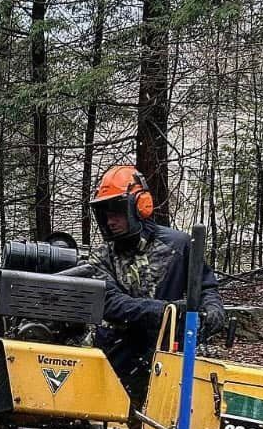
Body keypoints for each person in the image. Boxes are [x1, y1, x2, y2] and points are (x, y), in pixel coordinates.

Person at [88, 164, 225, 399]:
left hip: (171, 358)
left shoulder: (178, 246)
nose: (110, 221)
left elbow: (205, 287)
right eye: (106, 214)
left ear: (140, 206)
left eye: (117, 212)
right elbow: (110, 302)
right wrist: (165, 312)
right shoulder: (102, 257)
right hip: (119, 359)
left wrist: (212, 311)